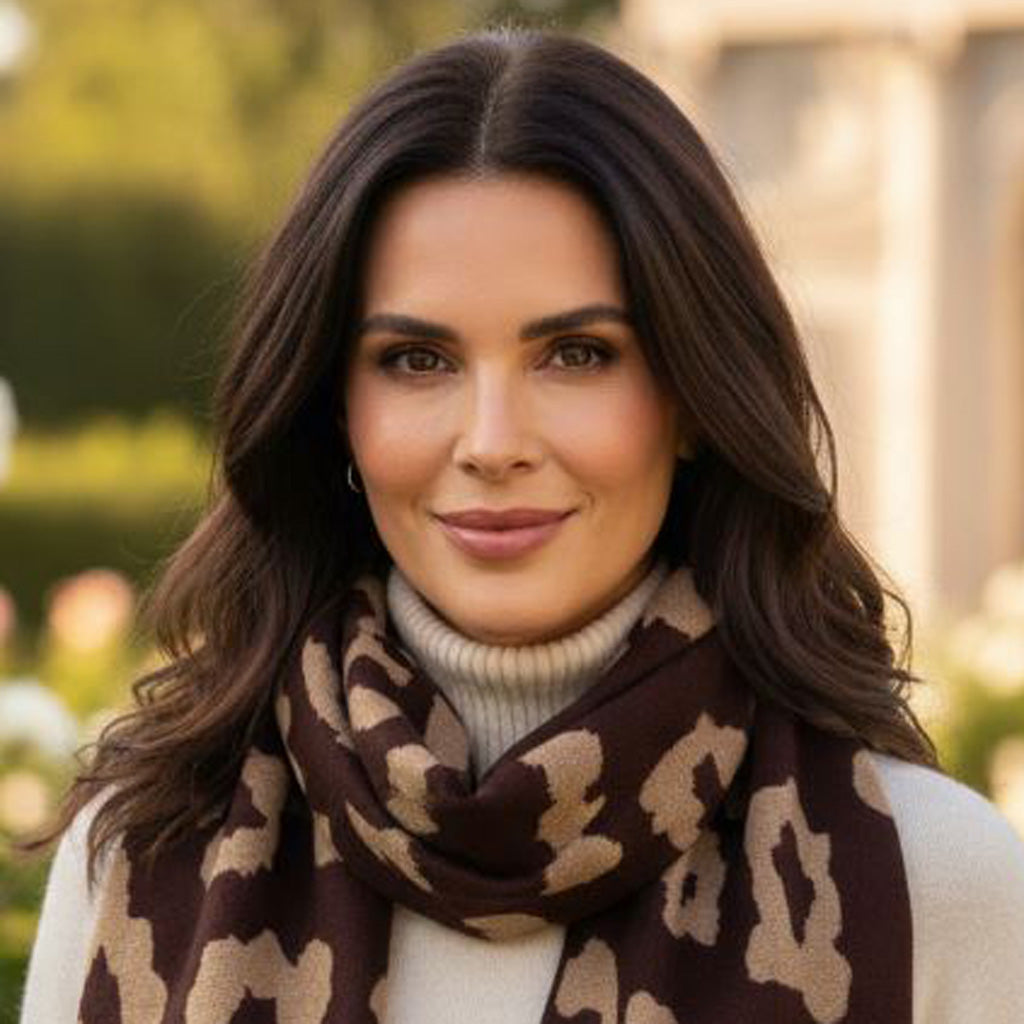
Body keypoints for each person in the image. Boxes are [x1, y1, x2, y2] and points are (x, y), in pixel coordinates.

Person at [16, 25, 1024, 1024]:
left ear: (691, 398)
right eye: (417, 361)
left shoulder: (932, 885)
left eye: (576, 354)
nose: (492, 442)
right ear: (335, 408)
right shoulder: (142, 857)